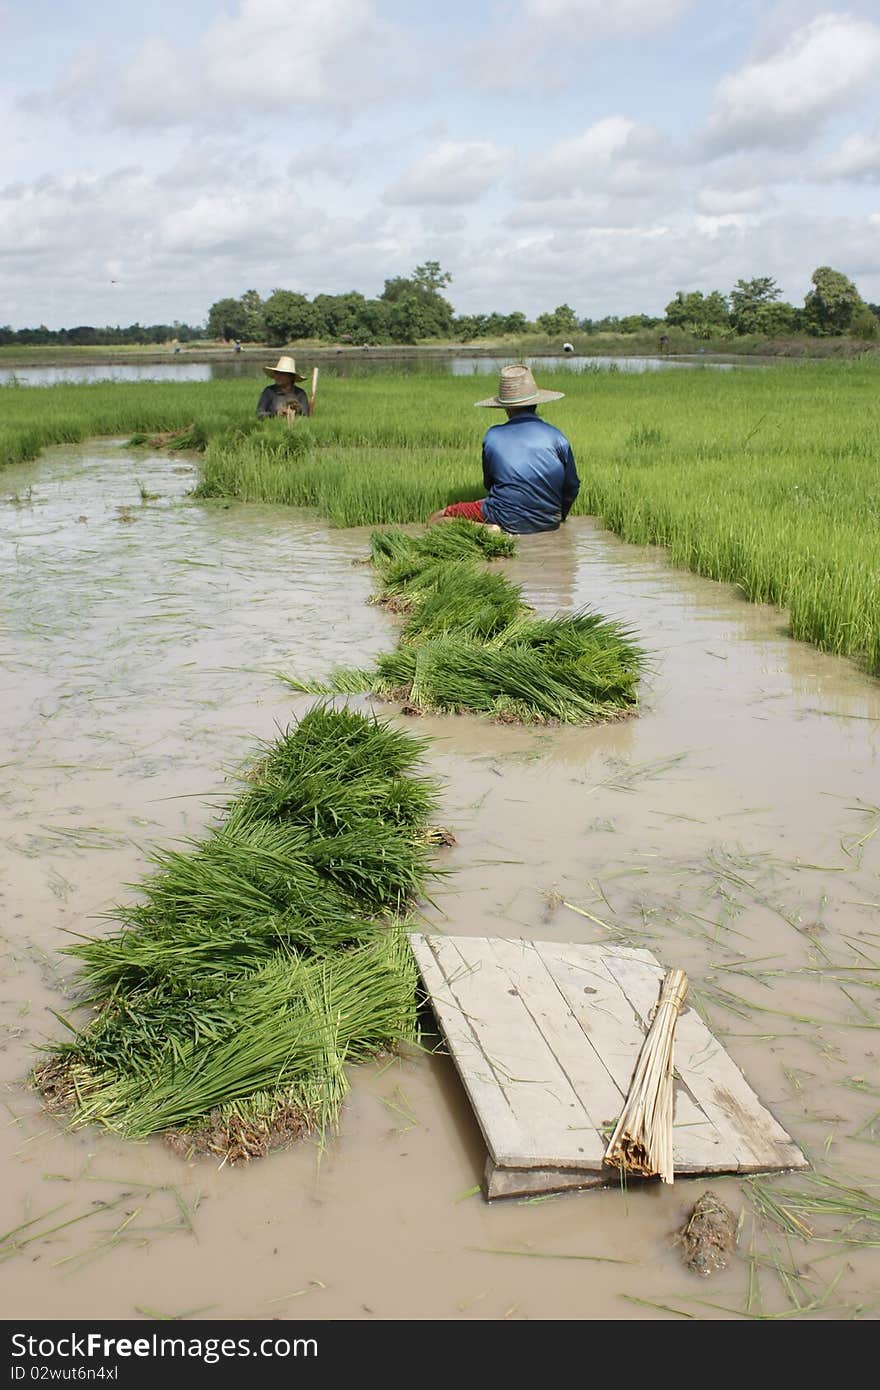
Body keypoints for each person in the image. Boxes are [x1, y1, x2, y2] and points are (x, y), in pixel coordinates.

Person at [428, 364, 580, 535]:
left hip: (503, 517)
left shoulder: (493, 436)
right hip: (549, 522)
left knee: (437, 519)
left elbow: (489, 483)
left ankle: (488, 529)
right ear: (535, 403)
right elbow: (572, 485)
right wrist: (560, 516)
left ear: (506, 408)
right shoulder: (557, 437)